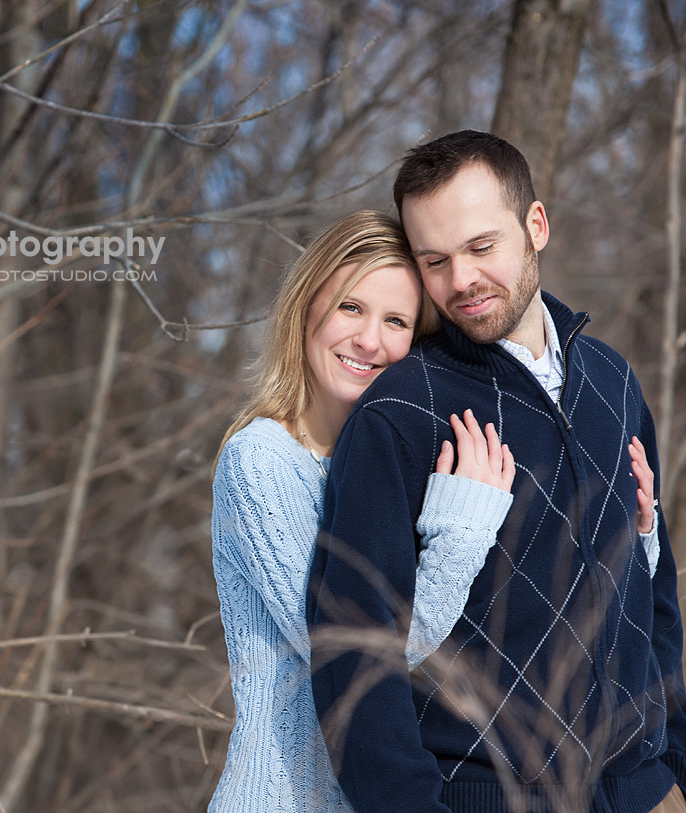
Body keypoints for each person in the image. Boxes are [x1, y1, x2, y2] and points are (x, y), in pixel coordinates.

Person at [307, 131, 686, 813]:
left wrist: (677, 768)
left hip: (642, 791)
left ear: (536, 226)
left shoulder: (612, 381)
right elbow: (353, 651)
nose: (461, 280)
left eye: (481, 247)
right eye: (435, 260)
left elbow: (652, 587)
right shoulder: (402, 412)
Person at [211, 210, 524, 812]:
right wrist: (462, 531)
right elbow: (355, 654)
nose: (370, 341)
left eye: (396, 321)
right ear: (307, 307)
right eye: (351, 308)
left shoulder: (392, 467)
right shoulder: (262, 460)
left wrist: (638, 534)